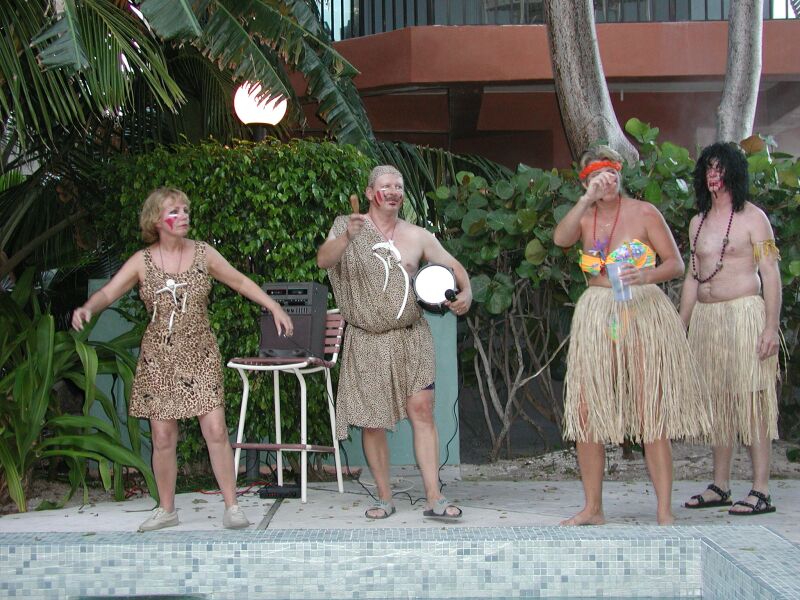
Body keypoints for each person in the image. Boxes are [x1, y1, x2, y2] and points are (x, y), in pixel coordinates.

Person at [72, 187, 293, 531]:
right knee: (162, 437)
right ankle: (166, 509)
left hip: (200, 352)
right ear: (157, 220)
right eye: (175, 210)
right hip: (158, 358)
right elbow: (108, 292)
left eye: (186, 209)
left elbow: (239, 280)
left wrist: (273, 305)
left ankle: (232, 506)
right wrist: (88, 307)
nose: (184, 215)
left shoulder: (204, 253)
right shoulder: (141, 262)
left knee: (216, 429)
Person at [553, 146, 709, 526]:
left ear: (621, 176)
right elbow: (561, 239)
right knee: (587, 413)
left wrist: (647, 275)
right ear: (587, 181)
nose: (607, 182)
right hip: (598, 312)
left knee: (650, 409)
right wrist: (586, 199)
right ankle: (593, 508)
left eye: (611, 174)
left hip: (641, 310)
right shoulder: (584, 216)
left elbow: (675, 263)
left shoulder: (644, 212)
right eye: (597, 176)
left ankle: (663, 509)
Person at [317, 165, 472, 520]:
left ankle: (435, 497)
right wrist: (347, 238)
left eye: (399, 186)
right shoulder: (347, 225)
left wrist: (467, 292)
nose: (393, 191)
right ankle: (384, 498)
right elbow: (323, 260)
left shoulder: (418, 235)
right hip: (367, 339)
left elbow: (453, 265)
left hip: (411, 337)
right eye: (385, 186)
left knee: (422, 410)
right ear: (371, 193)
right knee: (372, 422)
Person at [681, 142, 781, 516]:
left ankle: (761, 489)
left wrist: (770, 327)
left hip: (744, 316)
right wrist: (682, 325)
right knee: (720, 403)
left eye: (720, 169)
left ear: (734, 174)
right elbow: (693, 277)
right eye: (708, 168)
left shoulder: (755, 219)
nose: (713, 175)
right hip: (709, 320)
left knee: (753, 402)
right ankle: (720, 485)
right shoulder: (698, 222)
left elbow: (770, 275)